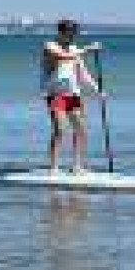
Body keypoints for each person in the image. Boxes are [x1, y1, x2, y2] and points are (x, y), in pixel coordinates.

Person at [42, 19, 102, 173]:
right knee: (60, 130)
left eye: (74, 34)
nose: (72, 37)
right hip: (56, 94)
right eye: (69, 34)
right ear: (61, 32)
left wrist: (97, 89)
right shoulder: (50, 46)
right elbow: (64, 57)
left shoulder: (74, 48)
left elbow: (82, 73)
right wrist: (88, 49)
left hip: (73, 94)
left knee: (80, 129)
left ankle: (77, 166)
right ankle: (53, 168)